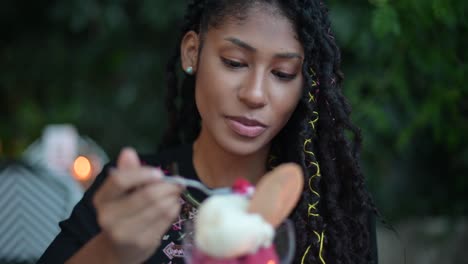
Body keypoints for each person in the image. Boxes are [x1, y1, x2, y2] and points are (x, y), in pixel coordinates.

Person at [38, 0, 378, 263]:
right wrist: (112, 251)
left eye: (283, 73)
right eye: (234, 62)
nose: (255, 94)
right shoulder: (133, 196)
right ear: (193, 53)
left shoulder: (334, 216)